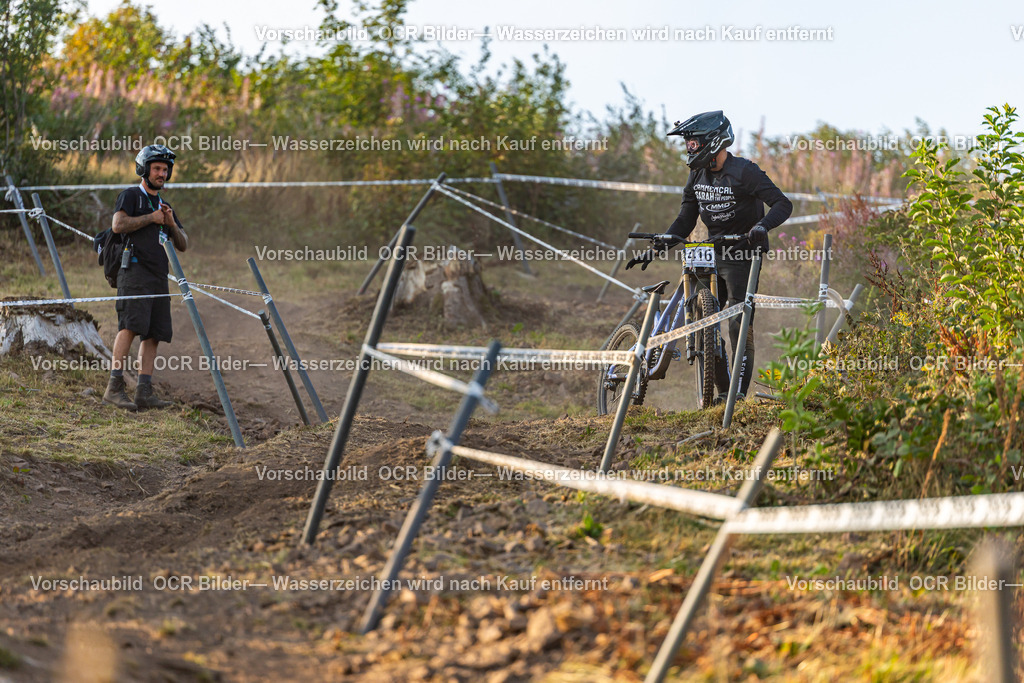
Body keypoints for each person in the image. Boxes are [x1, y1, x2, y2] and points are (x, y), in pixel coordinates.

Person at [628, 110, 792, 401]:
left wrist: (761, 226)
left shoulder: (745, 171)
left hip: (743, 254)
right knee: (707, 321)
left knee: (739, 323)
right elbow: (685, 220)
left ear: (713, 142)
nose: (689, 149)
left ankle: (737, 397)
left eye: (693, 144)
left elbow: (782, 204)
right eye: (687, 144)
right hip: (712, 251)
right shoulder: (697, 175)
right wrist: (656, 248)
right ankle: (723, 391)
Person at [102, 144, 189, 411]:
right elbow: (118, 225)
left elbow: (183, 244)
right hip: (134, 271)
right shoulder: (130, 196)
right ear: (144, 169)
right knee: (129, 326)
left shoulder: (165, 205)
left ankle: (144, 391)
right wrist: (151, 218)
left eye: (165, 169)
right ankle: (114, 388)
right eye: (157, 169)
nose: (161, 174)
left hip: (158, 276)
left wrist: (170, 223)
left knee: (154, 334)